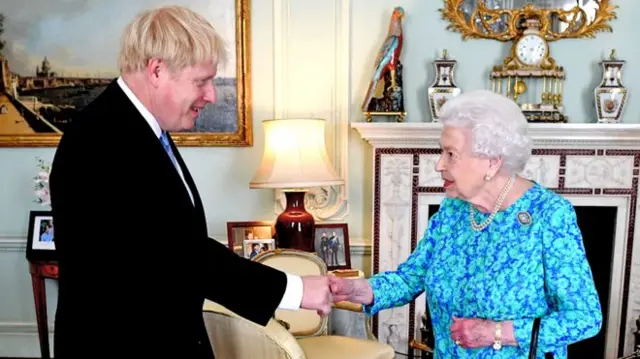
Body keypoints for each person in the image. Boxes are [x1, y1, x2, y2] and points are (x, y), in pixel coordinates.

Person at [49, 6, 333, 359]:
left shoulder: (141, 130)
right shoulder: (102, 138)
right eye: (201, 81)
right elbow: (177, 253)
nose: (212, 95)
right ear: (156, 70)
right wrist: (293, 289)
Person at [329, 90, 602, 358]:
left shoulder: (549, 215)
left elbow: (585, 317)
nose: (438, 165)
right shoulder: (453, 209)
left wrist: (498, 332)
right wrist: (359, 290)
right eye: (442, 152)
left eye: (451, 154)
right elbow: (410, 278)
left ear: (492, 162)